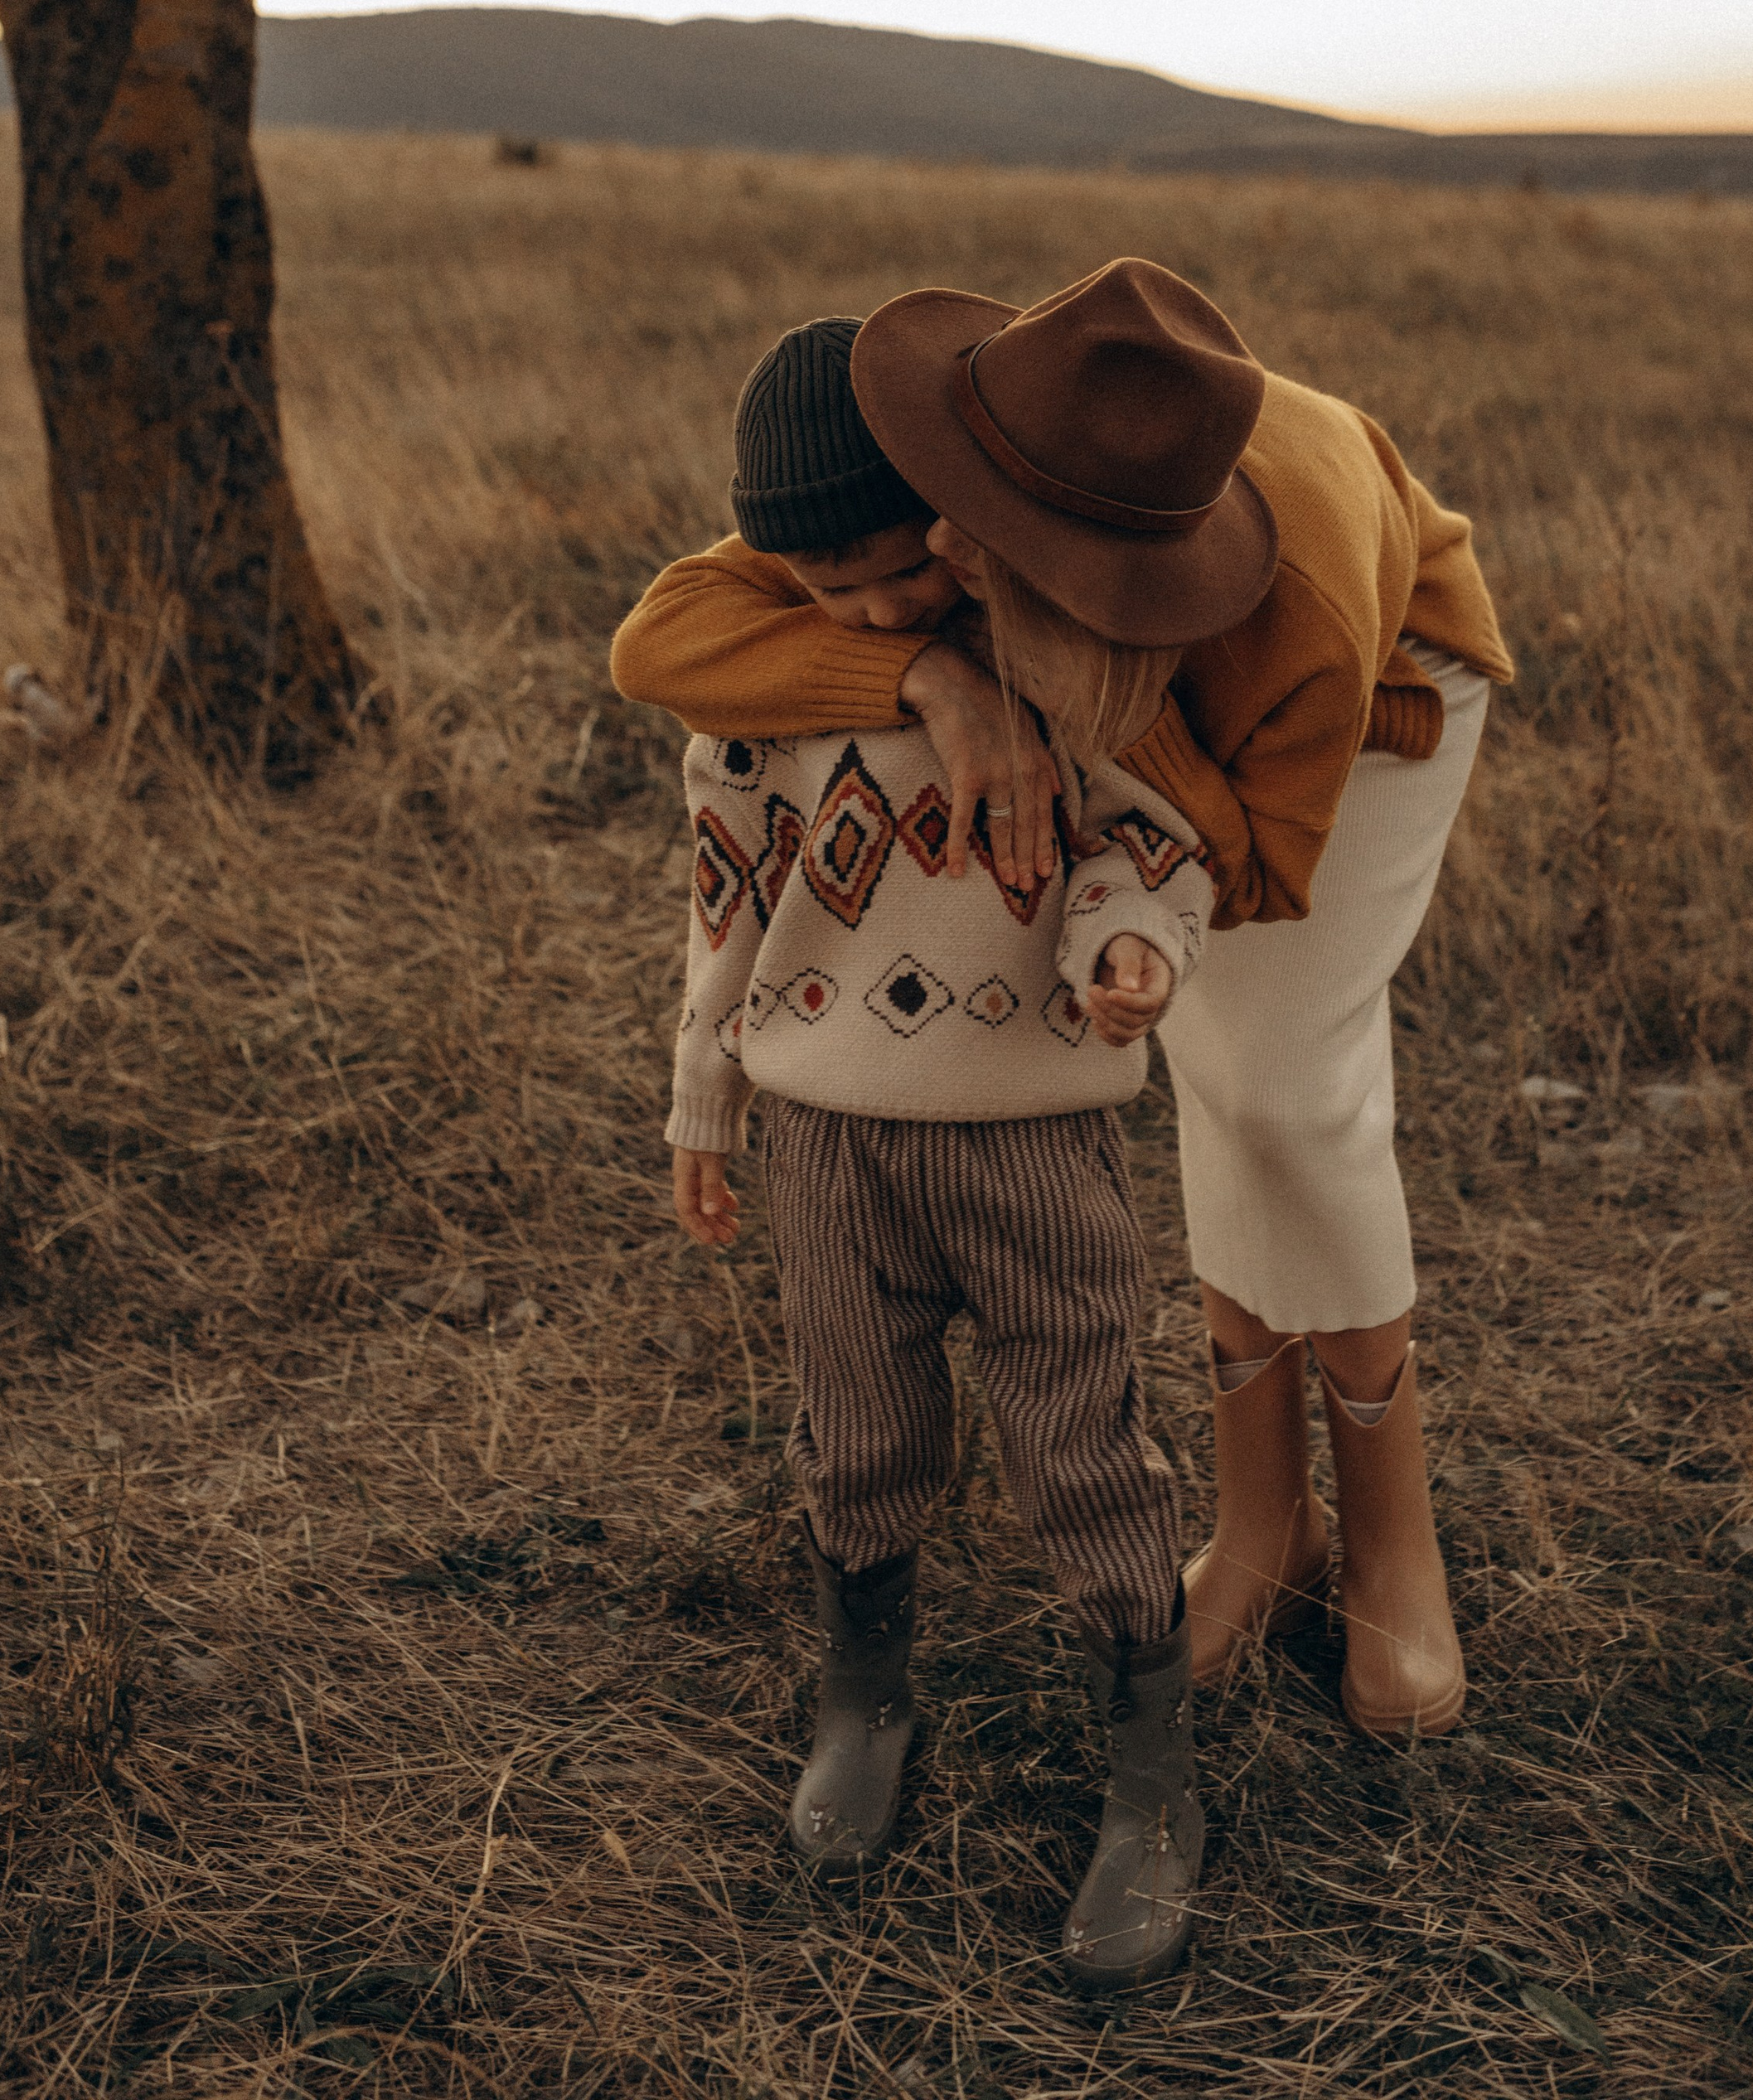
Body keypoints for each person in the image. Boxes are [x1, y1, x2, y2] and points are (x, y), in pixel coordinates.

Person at [613, 264, 1513, 1741]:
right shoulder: (961, 445)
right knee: (1221, 1085)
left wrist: (1059, 665)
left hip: (1373, 708)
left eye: (983, 566)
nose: (936, 576)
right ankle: (1263, 1525)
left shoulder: (1301, 618)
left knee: (1284, 1085)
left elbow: (1245, 867)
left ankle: (1395, 1546)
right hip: (1129, 680)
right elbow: (665, 639)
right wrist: (935, 677)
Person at [658, 317, 1218, 1993]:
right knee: (859, 1424)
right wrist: (705, 1095)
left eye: (898, 571)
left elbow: (1154, 839)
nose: (878, 611)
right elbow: (721, 908)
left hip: (1032, 1137)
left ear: (954, 523)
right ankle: (865, 1688)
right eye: (828, 587)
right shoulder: (757, 695)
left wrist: (1133, 946)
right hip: (827, 1140)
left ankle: (1149, 1775)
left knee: (1079, 1442)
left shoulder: (1061, 663)